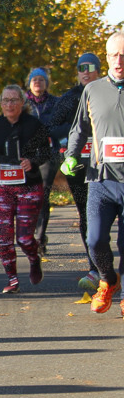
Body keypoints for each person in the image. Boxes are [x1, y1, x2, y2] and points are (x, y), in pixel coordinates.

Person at [62, 31, 124, 315]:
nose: (119, 60)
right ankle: (108, 280)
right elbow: (80, 128)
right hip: (100, 178)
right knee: (95, 239)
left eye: (123, 55)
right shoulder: (93, 90)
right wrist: (71, 155)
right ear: (107, 57)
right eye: (114, 55)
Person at [0, 85, 51, 293]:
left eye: (13, 100)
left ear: (22, 103)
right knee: (4, 237)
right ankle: (12, 280)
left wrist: (33, 161)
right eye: (5, 101)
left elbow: (47, 151)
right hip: (2, 186)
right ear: (1, 104)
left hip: (29, 186)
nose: (9, 104)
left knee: (25, 238)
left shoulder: (33, 125)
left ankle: (34, 258)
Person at [51, 53, 104, 291]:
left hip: (108, 163)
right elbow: (52, 126)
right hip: (79, 166)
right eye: (81, 68)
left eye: (90, 68)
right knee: (86, 213)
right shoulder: (70, 98)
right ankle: (94, 267)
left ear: (98, 71)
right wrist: (77, 129)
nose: (86, 72)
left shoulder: (108, 92)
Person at [24, 67, 61, 253]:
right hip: (27, 155)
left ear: (46, 83)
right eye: (34, 79)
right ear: (29, 83)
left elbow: (62, 127)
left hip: (48, 153)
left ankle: (39, 237)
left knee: (42, 194)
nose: (37, 82)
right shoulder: (22, 103)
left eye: (41, 79)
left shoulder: (56, 103)